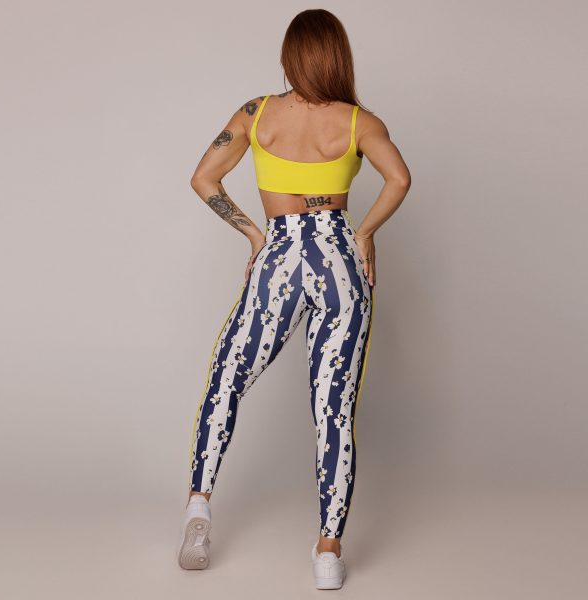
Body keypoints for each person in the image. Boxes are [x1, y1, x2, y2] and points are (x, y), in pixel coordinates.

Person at [177, 8, 411, 589]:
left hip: (280, 255)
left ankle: (199, 507)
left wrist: (254, 234)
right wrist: (364, 233)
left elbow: (203, 177)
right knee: (333, 408)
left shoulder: (257, 113)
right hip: (338, 259)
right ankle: (328, 552)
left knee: (227, 376)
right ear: (338, 57)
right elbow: (400, 179)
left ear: (289, 57)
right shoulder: (359, 121)